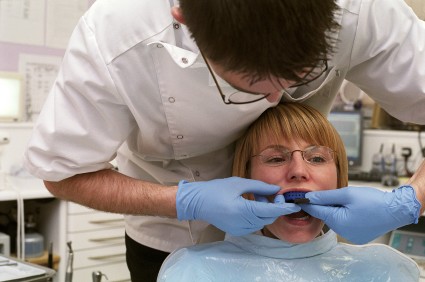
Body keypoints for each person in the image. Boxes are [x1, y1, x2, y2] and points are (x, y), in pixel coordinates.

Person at [23, 0, 425, 280]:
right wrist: (184, 200)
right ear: (185, 20)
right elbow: (62, 172)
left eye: (300, 75)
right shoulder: (116, 34)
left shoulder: (367, 11)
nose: (272, 99)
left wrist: (414, 198)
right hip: (171, 234)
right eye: (248, 84)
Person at [157, 103, 420, 281]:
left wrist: (414, 199)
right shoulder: (193, 272)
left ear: (340, 178)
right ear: (244, 177)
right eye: (274, 159)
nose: (298, 170)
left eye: (317, 158)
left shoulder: (386, 271)